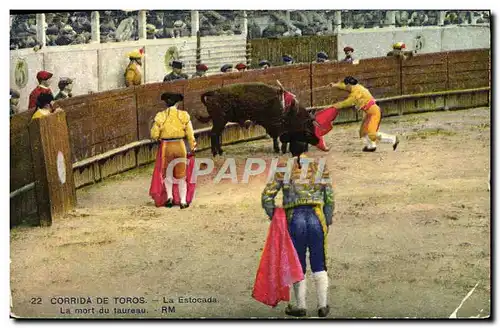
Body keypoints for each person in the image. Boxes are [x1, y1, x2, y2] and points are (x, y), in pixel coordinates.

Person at [261, 140, 334, 317]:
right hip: (316, 216)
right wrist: (327, 219)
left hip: (294, 218)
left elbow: (266, 197)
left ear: (291, 150)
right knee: (319, 259)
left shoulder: (283, 167)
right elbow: (329, 197)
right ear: (307, 148)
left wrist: (276, 218)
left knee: (297, 261)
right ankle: (322, 305)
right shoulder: (319, 166)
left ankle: (301, 306)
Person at [150, 92, 196, 209]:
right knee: (181, 175)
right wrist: (193, 146)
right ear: (177, 103)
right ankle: (183, 201)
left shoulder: (161, 116)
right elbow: (190, 134)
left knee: (168, 174)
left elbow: (154, 134)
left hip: (166, 146)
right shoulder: (183, 115)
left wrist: (158, 138)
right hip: (180, 145)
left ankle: (169, 197)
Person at [329, 76, 400, 152]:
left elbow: (348, 102)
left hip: (374, 113)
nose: (346, 86)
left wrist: (337, 105)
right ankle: (371, 146)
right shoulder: (356, 86)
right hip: (369, 112)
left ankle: (393, 139)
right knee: (363, 132)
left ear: (349, 84)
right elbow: (345, 87)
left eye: (347, 84)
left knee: (371, 133)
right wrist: (335, 85)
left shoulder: (356, 92)